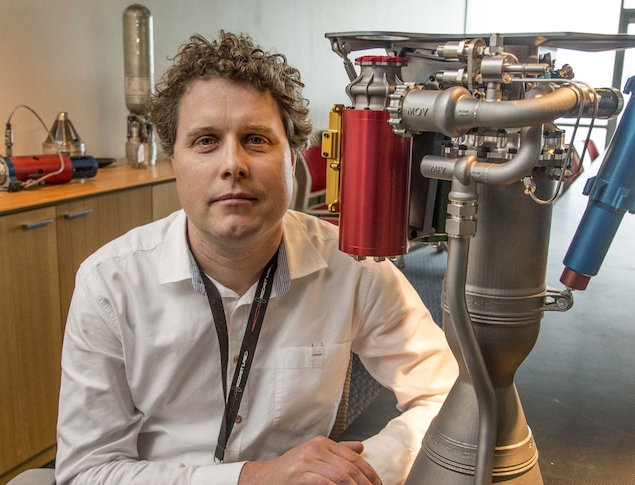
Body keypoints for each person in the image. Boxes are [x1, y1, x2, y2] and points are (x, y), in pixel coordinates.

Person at [55, 30, 458, 485]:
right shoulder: (109, 284)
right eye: (206, 140)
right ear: (174, 162)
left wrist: (366, 468)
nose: (233, 164)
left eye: (256, 140)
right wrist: (253, 477)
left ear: (294, 159)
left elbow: (451, 395)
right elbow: (86, 472)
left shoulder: (352, 267)